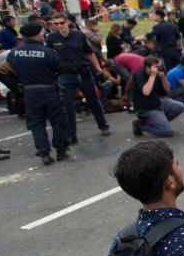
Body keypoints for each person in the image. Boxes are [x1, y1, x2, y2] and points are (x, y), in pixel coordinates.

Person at [6, 22, 69, 165]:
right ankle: (61, 150)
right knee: (58, 121)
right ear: (35, 35)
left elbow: (8, 68)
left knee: (36, 124)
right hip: (49, 90)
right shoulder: (48, 52)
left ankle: (44, 153)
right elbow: (61, 68)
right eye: (40, 33)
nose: (42, 35)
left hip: (29, 92)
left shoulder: (15, 52)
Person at [47, 12, 111, 142]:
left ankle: (103, 125)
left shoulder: (79, 35)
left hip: (83, 72)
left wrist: (98, 68)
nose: (60, 26)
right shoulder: (51, 38)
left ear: (67, 23)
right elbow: (49, 57)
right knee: (67, 105)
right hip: (65, 74)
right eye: (56, 24)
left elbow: (90, 53)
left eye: (62, 23)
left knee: (93, 99)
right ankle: (71, 135)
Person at [131, 56, 184, 137]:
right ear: (147, 67)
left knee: (180, 106)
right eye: (156, 67)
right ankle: (140, 125)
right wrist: (152, 76)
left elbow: (167, 88)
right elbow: (146, 92)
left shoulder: (157, 74)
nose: (158, 69)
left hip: (158, 103)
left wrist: (163, 77)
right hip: (147, 108)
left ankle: (160, 122)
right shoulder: (139, 75)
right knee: (167, 132)